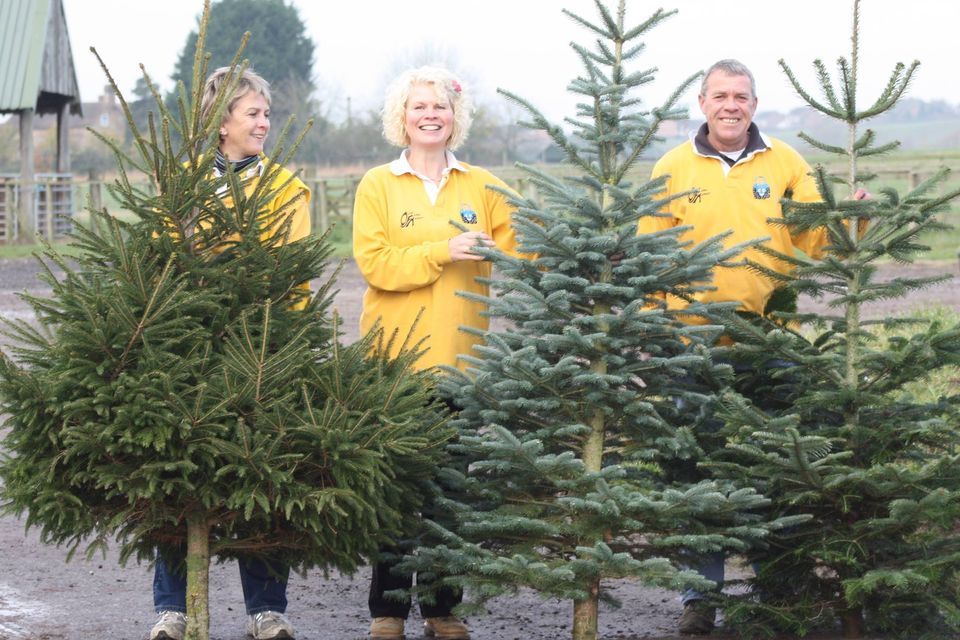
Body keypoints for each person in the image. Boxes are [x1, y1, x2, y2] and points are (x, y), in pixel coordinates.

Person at [640, 59, 866, 635]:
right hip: (691, 344)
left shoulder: (785, 163)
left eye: (740, 96)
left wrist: (852, 221)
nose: (731, 105)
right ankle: (699, 597)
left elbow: (816, 239)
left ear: (754, 105)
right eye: (720, 95)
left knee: (779, 464)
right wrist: (651, 331)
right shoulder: (672, 167)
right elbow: (649, 256)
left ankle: (779, 587)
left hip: (772, 341)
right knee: (697, 467)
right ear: (702, 103)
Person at [352, 65, 518, 640]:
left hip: (461, 365)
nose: (430, 115)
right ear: (402, 116)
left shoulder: (483, 185)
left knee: (451, 494)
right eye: (419, 106)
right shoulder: (378, 184)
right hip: (394, 366)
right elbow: (376, 265)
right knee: (396, 493)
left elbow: (528, 247)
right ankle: (388, 611)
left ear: (455, 116)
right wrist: (443, 250)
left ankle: (443, 610)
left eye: (440, 106)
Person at [149, 67, 310, 640]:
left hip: (261, 351)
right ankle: (172, 608)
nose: (264, 123)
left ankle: (266, 609)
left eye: (267, 114)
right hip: (189, 349)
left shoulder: (286, 188)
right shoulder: (184, 183)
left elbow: (293, 274)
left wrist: (281, 343)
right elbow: (164, 258)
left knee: (260, 474)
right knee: (177, 475)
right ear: (221, 123)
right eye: (253, 114)